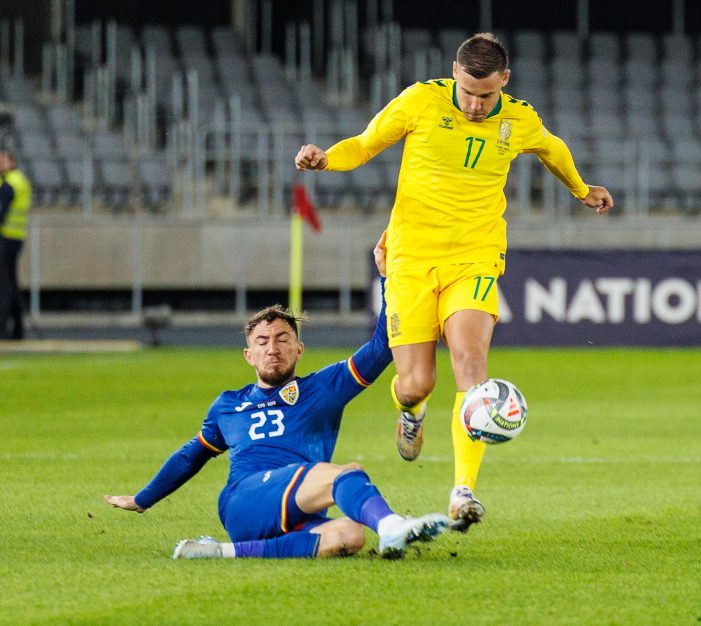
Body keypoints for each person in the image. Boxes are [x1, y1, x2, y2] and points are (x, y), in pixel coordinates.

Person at [295, 33, 613, 531]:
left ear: (504, 81)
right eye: (467, 92)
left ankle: (463, 491)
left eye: (485, 95)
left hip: (475, 256)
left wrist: (582, 189)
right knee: (417, 382)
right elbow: (365, 143)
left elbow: (552, 149)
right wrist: (327, 159)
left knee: (471, 362)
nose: (474, 104)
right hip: (411, 259)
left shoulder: (519, 118)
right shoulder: (420, 100)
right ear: (455, 73)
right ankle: (411, 411)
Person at [106, 232, 450, 559]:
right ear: (248, 355)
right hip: (243, 501)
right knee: (346, 473)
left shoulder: (322, 388)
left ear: (299, 349)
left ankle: (220, 552)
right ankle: (392, 526)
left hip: (295, 508)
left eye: (282, 339)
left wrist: (388, 280)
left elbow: (380, 348)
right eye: (262, 342)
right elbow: (190, 456)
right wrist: (143, 498)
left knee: (350, 536)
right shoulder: (228, 404)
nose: (273, 348)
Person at [0, 147, 31, 340]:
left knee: (4, 286)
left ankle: (3, 327)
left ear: (11, 161)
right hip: (15, 237)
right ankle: (18, 329)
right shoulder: (19, 180)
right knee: (11, 283)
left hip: (6, 239)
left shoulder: (11, 183)